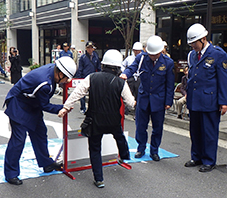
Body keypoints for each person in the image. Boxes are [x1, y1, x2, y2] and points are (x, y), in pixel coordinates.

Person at [58, 50, 136, 188]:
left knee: (95, 149)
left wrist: (65, 107)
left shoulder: (91, 77)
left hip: (95, 120)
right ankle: (124, 155)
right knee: (119, 137)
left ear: (103, 64)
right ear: (118, 67)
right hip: (113, 121)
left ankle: (99, 179)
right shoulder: (121, 82)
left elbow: (77, 93)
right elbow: (130, 103)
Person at [3, 56, 77, 185]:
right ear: (59, 73)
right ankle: (11, 173)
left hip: (32, 103)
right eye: (66, 78)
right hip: (18, 104)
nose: (66, 81)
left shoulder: (53, 70)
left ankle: (46, 163)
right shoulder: (44, 84)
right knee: (18, 140)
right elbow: (45, 105)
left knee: (40, 133)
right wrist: (63, 108)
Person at [120, 35, 175, 161]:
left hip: (159, 99)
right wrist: (125, 74)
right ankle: (141, 148)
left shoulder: (168, 63)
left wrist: (168, 101)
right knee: (140, 126)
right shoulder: (141, 58)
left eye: (155, 55)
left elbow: (170, 84)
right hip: (143, 97)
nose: (152, 57)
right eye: (150, 54)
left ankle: (154, 150)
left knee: (157, 127)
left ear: (160, 51)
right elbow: (132, 68)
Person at [183, 23, 227, 172]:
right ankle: (196, 156)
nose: (192, 46)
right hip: (194, 99)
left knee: (209, 132)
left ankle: (209, 160)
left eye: (194, 43)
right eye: (191, 44)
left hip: (210, 100)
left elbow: (223, 80)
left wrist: (223, 102)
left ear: (203, 39)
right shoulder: (192, 55)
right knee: (195, 131)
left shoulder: (218, 54)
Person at [74, 41, 101, 114]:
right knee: (82, 94)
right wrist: (79, 78)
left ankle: (91, 108)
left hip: (93, 78)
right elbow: (80, 69)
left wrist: (99, 75)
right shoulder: (83, 57)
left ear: (93, 49)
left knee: (93, 94)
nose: (90, 49)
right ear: (86, 48)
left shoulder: (96, 56)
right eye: (88, 48)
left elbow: (99, 67)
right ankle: (83, 107)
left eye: (91, 48)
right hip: (84, 77)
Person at [122, 41, 144, 114]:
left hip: (139, 78)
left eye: (138, 51)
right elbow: (123, 65)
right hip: (130, 78)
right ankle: (126, 109)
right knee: (128, 92)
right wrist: (124, 73)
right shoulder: (129, 58)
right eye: (135, 50)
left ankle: (136, 110)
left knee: (138, 94)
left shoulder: (143, 58)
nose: (137, 52)